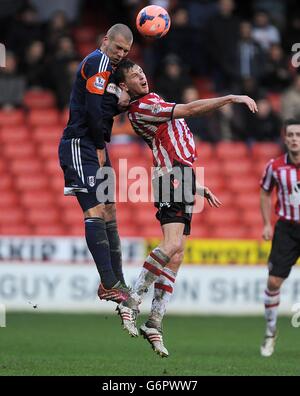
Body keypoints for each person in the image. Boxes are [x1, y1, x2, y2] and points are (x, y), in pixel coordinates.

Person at [112, 59, 258, 357]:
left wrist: (195, 184)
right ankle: (130, 300)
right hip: (171, 176)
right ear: (125, 86)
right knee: (172, 243)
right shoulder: (143, 107)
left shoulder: (152, 101)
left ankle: (154, 321)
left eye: (141, 70)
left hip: (182, 175)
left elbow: (172, 143)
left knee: (177, 255)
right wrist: (231, 97)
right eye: (134, 74)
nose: (141, 74)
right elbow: (190, 110)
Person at [58, 24, 133, 304]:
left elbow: (102, 108)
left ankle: (118, 281)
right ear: (106, 41)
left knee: (110, 210)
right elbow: (91, 110)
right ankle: (109, 282)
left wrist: (120, 104)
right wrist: (101, 147)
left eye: (125, 50)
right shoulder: (97, 61)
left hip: (95, 145)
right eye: (118, 48)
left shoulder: (112, 72)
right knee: (96, 209)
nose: (120, 54)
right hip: (80, 143)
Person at [260, 119, 300, 357]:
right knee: (273, 282)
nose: (295, 138)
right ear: (285, 139)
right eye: (291, 135)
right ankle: (270, 331)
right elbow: (265, 192)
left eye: (298, 134)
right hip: (286, 228)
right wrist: (266, 223)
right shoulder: (275, 166)